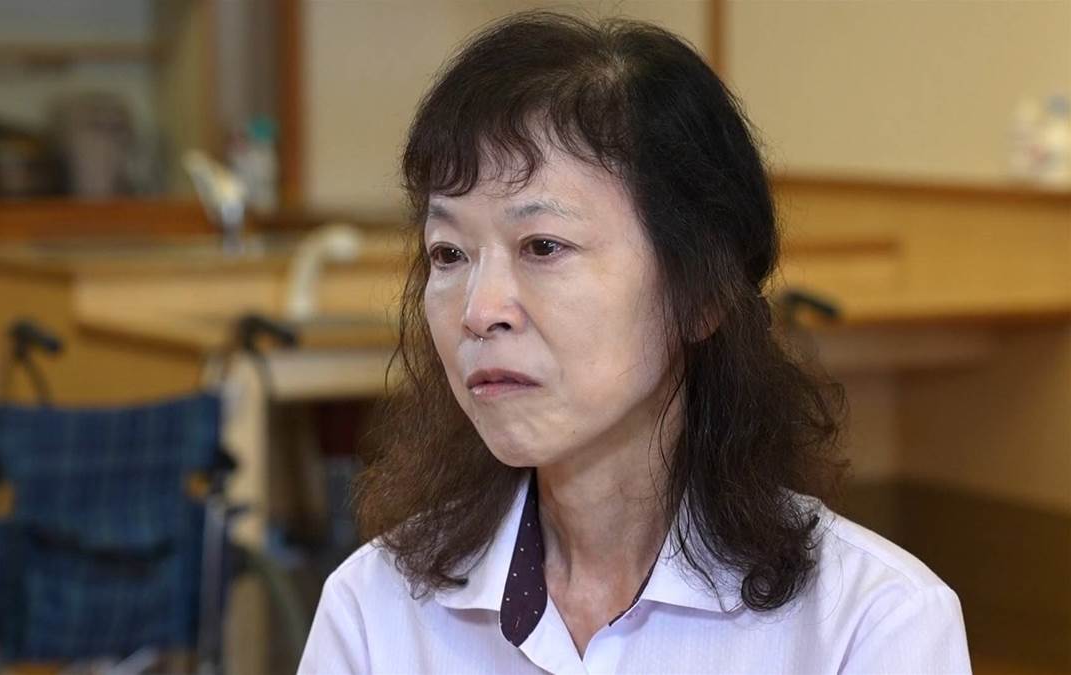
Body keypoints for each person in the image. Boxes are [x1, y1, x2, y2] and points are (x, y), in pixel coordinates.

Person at [299, 11, 971, 674]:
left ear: (700, 292)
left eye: (543, 246)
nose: (479, 311)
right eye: (448, 253)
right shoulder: (374, 609)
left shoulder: (871, 625)